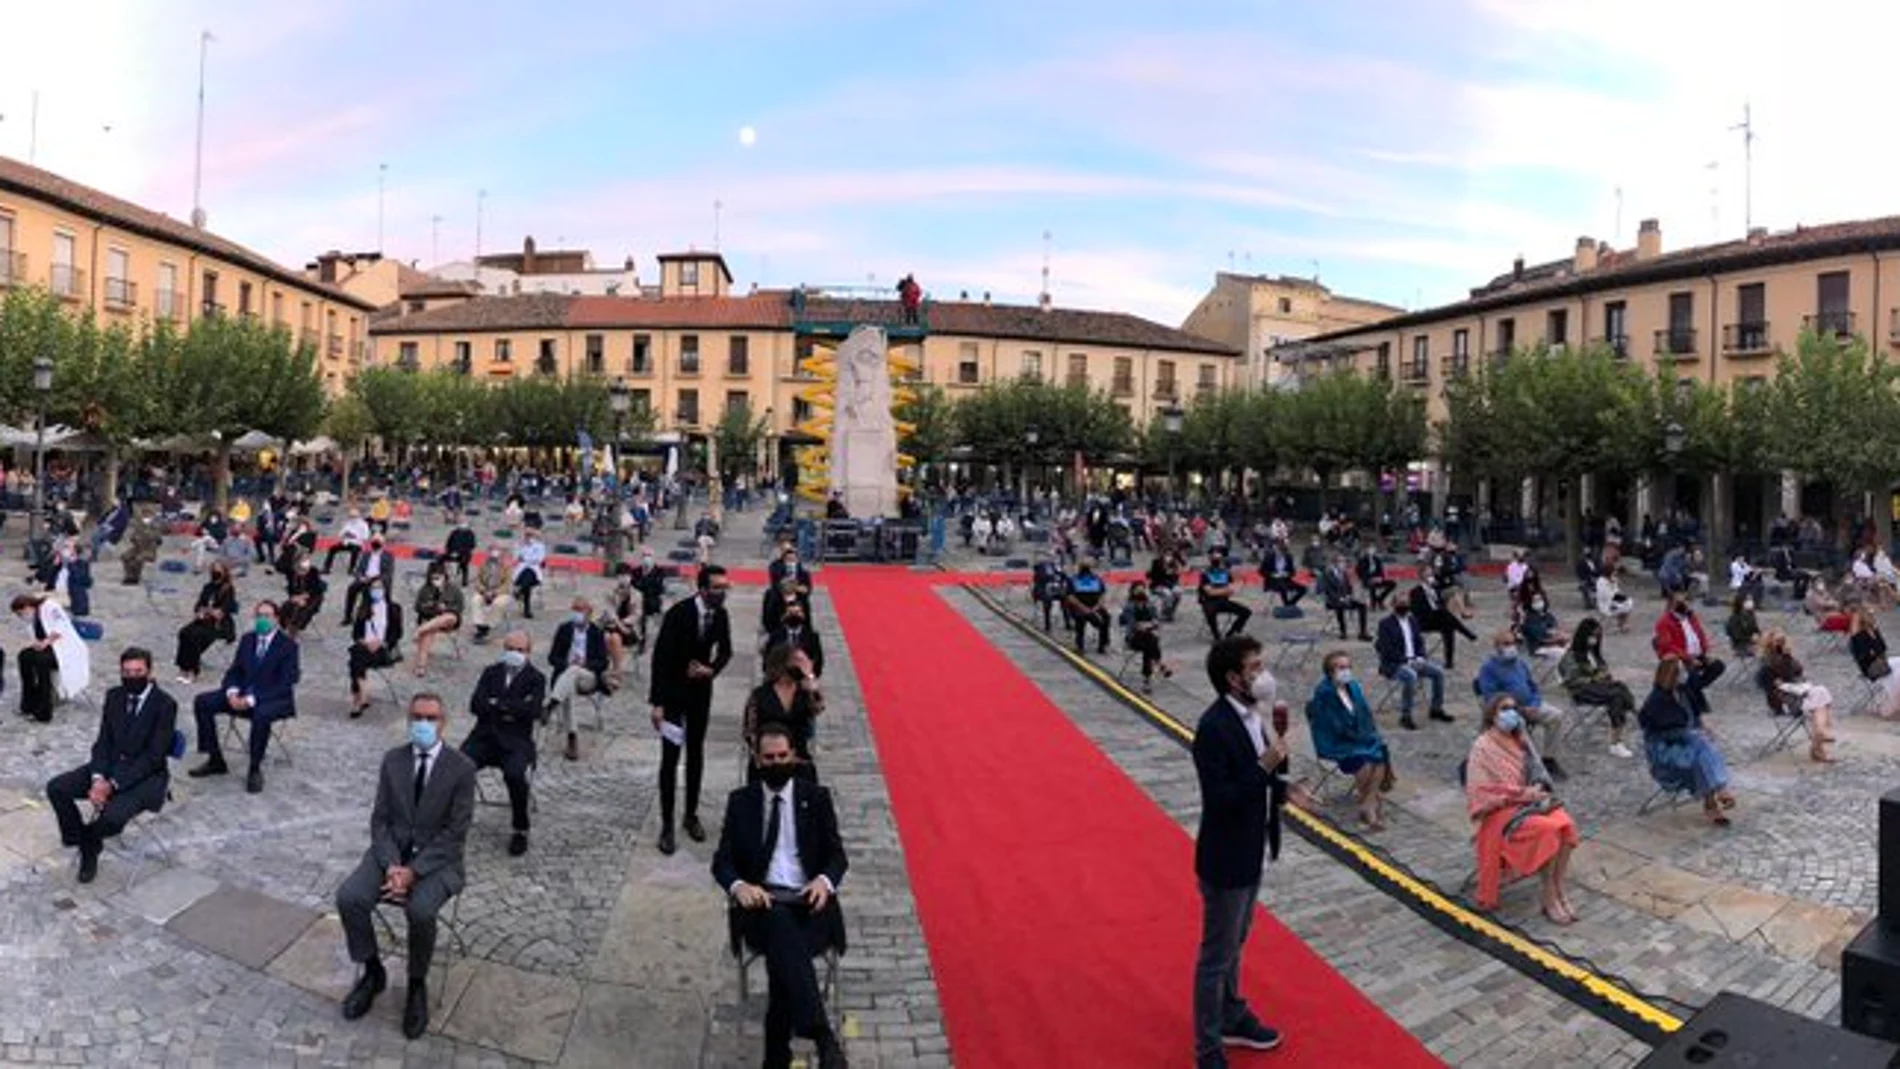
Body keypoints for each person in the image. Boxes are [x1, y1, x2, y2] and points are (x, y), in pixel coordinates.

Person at [335, 693, 476, 1040]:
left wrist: (414, 871)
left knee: (421, 910)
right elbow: (380, 820)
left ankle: (416, 984)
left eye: (431, 718)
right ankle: (372, 970)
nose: (423, 724)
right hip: (391, 855)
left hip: (438, 862)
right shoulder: (392, 761)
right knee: (350, 897)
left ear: (443, 723)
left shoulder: (461, 768)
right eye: (417, 717)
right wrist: (393, 865)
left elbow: (455, 832)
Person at [711, 723, 850, 1069]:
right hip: (762, 904)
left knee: (783, 955)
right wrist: (740, 887)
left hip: (810, 905)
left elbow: (838, 857)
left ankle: (777, 1055)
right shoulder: (741, 802)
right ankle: (822, 1036)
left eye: (782, 756)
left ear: (794, 756)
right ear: (757, 760)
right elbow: (722, 861)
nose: (776, 763)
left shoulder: (816, 798)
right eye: (768, 758)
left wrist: (823, 882)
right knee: (777, 925)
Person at [1190, 634, 1286, 1067]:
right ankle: (1207, 1045)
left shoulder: (1253, 716)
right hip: (1226, 855)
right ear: (1233, 678)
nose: (1262, 676)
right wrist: (1264, 766)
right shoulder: (1214, 727)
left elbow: (1261, 778)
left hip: (1252, 846)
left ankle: (1232, 1013)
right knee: (1217, 954)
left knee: (1236, 942)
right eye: (1254, 668)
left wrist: (1283, 786)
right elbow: (1223, 797)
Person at [44, 647, 177, 884]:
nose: (132, 677)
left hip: (145, 777)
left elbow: (153, 757)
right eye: (126, 672)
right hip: (109, 766)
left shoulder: (165, 704)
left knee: (112, 818)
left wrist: (112, 784)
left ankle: (88, 844)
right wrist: (98, 778)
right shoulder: (115, 696)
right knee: (57, 787)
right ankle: (86, 841)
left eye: (138, 672)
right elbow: (104, 741)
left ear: (149, 671)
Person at [1464, 695, 1581, 922]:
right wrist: (1522, 794)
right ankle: (1548, 897)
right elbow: (1481, 791)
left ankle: (1558, 890)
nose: (1511, 713)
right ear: (1492, 714)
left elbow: (1538, 772)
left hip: (1529, 804)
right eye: (1504, 708)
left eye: (1514, 708)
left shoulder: (1521, 740)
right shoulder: (1482, 746)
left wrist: (1536, 788)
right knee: (1548, 830)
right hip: (1498, 813)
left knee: (1567, 826)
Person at [649, 565, 734, 854]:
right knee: (670, 760)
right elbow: (659, 659)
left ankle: (690, 815)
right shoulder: (679, 613)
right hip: (673, 695)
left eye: (725, 588)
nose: (722, 593)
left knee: (696, 753)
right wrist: (657, 703)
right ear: (703, 589)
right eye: (717, 588)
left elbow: (726, 650)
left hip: (700, 694)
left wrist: (711, 670)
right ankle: (667, 824)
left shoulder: (720, 615)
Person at [189, 601, 300, 792]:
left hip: (272, 699)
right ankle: (215, 759)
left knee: (261, 714)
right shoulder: (248, 639)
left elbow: (284, 683)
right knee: (203, 701)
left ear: (276, 618)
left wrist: (250, 699)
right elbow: (235, 671)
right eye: (259, 616)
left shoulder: (288, 646)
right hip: (241, 693)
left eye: (267, 616)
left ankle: (254, 768)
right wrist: (232, 692)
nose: (262, 620)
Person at [462, 631, 546, 856]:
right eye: (510, 649)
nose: (514, 654)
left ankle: (520, 828)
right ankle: (455, 819)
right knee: (459, 766)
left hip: (515, 741)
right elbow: (476, 704)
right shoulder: (491, 673)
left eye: (520, 650)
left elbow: (534, 711)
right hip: (484, 737)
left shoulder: (536, 678)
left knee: (515, 775)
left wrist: (497, 704)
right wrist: (512, 707)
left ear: (528, 653)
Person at [1639, 656, 1736, 826]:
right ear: (1671, 675)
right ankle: (1719, 792)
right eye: (1681, 672)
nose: (1686, 675)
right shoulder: (1656, 700)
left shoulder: (1684, 692)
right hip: (1664, 750)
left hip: (1689, 744)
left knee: (1701, 748)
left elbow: (1694, 718)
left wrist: (1700, 729)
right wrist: (1690, 734)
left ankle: (1712, 802)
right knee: (1701, 745)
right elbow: (1655, 734)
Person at [1305, 651, 1394, 830]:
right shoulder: (1324, 693)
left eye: (1348, 667)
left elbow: (1364, 713)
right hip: (1337, 742)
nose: (1346, 671)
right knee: (1365, 764)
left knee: (1380, 754)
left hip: (1359, 737)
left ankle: (1368, 801)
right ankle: (1369, 805)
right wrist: (1356, 734)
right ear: (1330, 672)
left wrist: (1367, 733)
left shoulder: (1353, 687)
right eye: (1341, 667)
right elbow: (1330, 724)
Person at [1475, 630, 1568, 780]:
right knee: (1519, 724)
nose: (1511, 647)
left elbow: (1533, 686)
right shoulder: (1489, 668)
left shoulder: (1520, 663)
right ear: (1497, 646)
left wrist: (1535, 704)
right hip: (1507, 710)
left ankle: (1549, 759)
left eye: (1513, 643)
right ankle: (1523, 766)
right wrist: (1518, 709)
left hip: (1530, 704)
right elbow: (1491, 697)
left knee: (1556, 716)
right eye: (1506, 644)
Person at [1556, 618, 1635, 757]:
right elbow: (1570, 680)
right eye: (1593, 636)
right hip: (1581, 690)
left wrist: (1604, 675)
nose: (1595, 639)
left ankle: (1624, 723)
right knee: (1616, 696)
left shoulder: (1593, 653)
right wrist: (1593, 679)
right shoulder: (1571, 656)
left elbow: (1604, 670)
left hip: (1598, 686)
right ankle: (1616, 741)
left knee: (1621, 687)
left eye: (1598, 636)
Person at [545, 596, 610, 761]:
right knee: (568, 689)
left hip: (588, 677)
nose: (577, 613)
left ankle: (551, 704)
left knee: (573, 672)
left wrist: (585, 663)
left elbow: (603, 662)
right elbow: (552, 658)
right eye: (574, 610)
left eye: (580, 610)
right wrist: (567, 663)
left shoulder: (596, 632)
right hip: (567, 677)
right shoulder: (564, 629)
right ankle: (572, 738)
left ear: (589, 613)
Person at [1758, 630, 1838, 763]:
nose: (1782, 644)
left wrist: (1789, 657)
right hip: (1783, 701)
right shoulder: (1766, 663)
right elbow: (1781, 682)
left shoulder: (1786, 657)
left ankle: (1819, 738)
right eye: (1779, 642)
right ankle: (1819, 742)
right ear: (1770, 644)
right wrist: (1786, 658)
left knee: (1821, 694)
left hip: (1797, 694)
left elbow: (1799, 671)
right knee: (1820, 703)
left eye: (1783, 641)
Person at [743, 643, 826, 770]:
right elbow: (749, 730)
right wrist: (763, 754)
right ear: (784, 664)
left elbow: (818, 708)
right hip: (769, 761)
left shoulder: (804, 691)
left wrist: (812, 683)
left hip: (800, 759)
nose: (804, 666)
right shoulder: (760, 694)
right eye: (799, 661)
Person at [1373, 597, 1449, 730]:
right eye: (1400, 604)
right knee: (1410, 676)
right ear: (1393, 605)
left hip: (1414, 660)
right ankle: (1406, 715)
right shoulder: (1385, 623)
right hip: (1393, 664)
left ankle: (1436, 709)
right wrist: (1406, 661)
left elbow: (1419, 642)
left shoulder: (1413, 620)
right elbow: (1386, 649)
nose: (1403, 607)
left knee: (1438, 673)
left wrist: (1421, 656)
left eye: (1406, 604)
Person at [14, 592, 88, 722]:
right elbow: (37, 637)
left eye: (21, 613)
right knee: (24, 656)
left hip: (65, 650)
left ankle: (44, 710)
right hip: (48, 649)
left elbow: (61, 627)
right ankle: (28, 703)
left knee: (41, 662)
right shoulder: (32, 620)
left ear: (27, 607)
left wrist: (46, 642)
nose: (23, 617)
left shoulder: (50, 607)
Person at [1653, 590, 1726, 713]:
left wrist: (1704, 653)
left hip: (1697, 655)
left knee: (1718, 666)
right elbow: (1668, 646)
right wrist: (1688, 659)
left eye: (1686, 600)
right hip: (1678, 658)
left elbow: (1699, 635)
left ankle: (1692, 691)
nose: (1685, 604)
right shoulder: (1664, 622)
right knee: (1692, 675)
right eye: (1680, 601)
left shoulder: (1691, 617)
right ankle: (1696, 700)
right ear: (1671, 604)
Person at [175, 561, 240, 685]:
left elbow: (224, 609)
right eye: (214, 569)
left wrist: (210, 611)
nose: (215, 572)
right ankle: (183, 667)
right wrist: (199, 610)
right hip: (203, 619)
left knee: (196, 637)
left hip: (218, 624)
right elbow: (200, 603)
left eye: (218, 570)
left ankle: (193, 670)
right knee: (184, 633)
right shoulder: (208, 587)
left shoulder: (228, 589)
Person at [347, 586, 405, 717]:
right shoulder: (363, 609)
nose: (377, 591)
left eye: (380, 588)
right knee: (358, 654)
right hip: (364, 647)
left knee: (355, 659)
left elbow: (397, 633)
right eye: (374, 588)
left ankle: (359, 696)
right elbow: (356, 634)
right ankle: (362, 693)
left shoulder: (393, 608)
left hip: (383, 650)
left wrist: (381, 642)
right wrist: (364, 642)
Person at [411, 563, 465, 677]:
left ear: (444, 576)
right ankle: (421, 665)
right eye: (433, 578)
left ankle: (419, 630)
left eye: (439, 577)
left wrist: (447, 608)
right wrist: (430, 606)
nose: (436, 580)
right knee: (428, 631)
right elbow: (417, 607)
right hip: (430, 619)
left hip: (449, 620)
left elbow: (460, 607)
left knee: (448, 617)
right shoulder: (425, 589)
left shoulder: (453, 589)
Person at [1409, 582, 1478, 670]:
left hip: (1437, 618)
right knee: (1444, 615)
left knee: (1448, 625)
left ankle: (1449, 661)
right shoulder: (1416, 591)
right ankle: (1466, 632)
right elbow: (1416, 610)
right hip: (1424, 620)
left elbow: (1441, 605)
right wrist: (1433, 611)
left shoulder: (1435, 591)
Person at [1119, 581, 1172, 692]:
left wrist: (1149, 625)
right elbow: (1133, 625)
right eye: (1138, 589)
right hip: (1133, 639)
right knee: (1151, 640)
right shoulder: (1129, 606)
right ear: (1132, 592)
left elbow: (1156, 620)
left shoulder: (1149, 605)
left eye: (1142, 589)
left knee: (1149, 644)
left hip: (1148, 637)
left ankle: (1147, 680)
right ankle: (1160, 665)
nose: (1140, 591)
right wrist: (1148, 625)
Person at [1851, 607, 1900, 719]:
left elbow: (1883, 648)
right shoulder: (1858, 636)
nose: (1873, 618)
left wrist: (1874, 630)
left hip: (1881, 662)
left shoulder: (1873, 631)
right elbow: (1868, 655)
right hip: (1871, 668)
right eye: (1870, 616)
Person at [341, 534, 395, 626]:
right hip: (364, 578)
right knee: (351, 589)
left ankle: (366, 614)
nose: (375, 543)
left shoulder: (388, 556)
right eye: (374, 541)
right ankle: (348, 617)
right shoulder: (366, 554)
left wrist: (374, 579)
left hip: (377, 580)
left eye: (378, 541)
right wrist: (360, 577)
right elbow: (359, 569)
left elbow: (388, 573)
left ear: (383, 543)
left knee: (368, 596)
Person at [1197, 549, 1252, 638]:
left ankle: (1232, 632)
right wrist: (1225, 590)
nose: (1219, 562)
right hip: (1209, 602)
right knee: (1210, 612)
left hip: (1223, 601)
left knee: (1246, 612)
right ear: (1210, 560)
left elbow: (1233, 587)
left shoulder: (1226, 573)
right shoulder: (1205, 574)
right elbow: (1210, 592)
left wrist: (1231, 587)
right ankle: (1216, 635)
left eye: (1220, 559)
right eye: (1215, 559)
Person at [1063, 559, 1112, 655]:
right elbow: (1070, 597)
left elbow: (1102, 595)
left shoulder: (1096, 579)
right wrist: (1083, 608)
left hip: (1095, 607)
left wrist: (1097, 607)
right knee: (1080, 620)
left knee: (1106, 617)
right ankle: (1079, 646)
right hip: (1079, 608)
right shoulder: (1074, 579)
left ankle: (1103, 645)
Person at [1317, 555, 1370, 641]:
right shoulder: (1327, 574)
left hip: (1345, 598)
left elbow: (1348, 587)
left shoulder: (1344, 573)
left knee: (1362, 605)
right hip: (1333, 600)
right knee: (1339, 606)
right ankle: (1343, 631)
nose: (1343, 564)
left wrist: (1348, 596)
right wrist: (1339, 598)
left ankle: (1363, 632)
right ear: (1335, 563)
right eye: (1341, 562)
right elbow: (1328, 590)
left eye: (1344, 562)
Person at [467, 555, 511, 643]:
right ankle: (479, 625)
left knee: (498, 603)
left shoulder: (506, 567)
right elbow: (478, 581)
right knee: (475, 600)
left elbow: (507, 584)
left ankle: (488, 625)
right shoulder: (483, 565)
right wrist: (483, 591)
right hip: (485, 591)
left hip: (500, 593)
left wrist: (495, 593)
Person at [1030, 553, 1070, 632]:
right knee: (1047, 600)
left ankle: (1067, 623)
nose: (1049, 559)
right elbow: (1039, 579)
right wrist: (1053, 577)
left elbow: (1063, 576)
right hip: (1042, 589)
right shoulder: (1039, 567)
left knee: (1065, 598)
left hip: (1054, 589)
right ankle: (1047, 624)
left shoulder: (1055, 566)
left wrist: (1061, 576)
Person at [512, 530, 547, 619]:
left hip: (533, 569)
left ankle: (519, 593)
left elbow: (539, 559)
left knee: (527, 580)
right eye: (526, 535)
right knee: (526, 585)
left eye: (530, 535)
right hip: (522, 569)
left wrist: (525, 558)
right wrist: (521, 548)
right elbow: (516, 557)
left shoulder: (539, 546)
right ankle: (526, 609)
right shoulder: (520, 545)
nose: (528, 537)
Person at [1260, 541, 1306, 607]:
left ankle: (1291, 603)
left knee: (1303, 589)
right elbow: (1261, 571)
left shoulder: (1288, 558)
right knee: (1282, 586)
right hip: (1272, 581)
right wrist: (1272, 574)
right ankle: (1286, 604)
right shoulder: (1269, 557)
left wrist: (1287, 574)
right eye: (1279, 552)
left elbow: (1293, 572)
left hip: (1286, 580)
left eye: (1282, 553)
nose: (1280, 554)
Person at [1355, 543, 1397, 609]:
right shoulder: (1363, 560)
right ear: (1366, 550)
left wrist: (1380, 577)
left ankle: (1380, 598)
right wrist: (1371, 578)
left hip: (1377, 579)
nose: (1371, 550)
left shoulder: (1377, 559)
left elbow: (1381, 570)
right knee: (1372, 585)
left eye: (1372, 549)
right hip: (1367, 580)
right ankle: (1373, 603)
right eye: (1369, 549)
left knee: (1393, 583)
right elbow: (1362, 572)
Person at [441, 516, 477, 586]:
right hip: (452, 553)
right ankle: (444, 576)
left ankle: (464, 580)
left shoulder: (470, 534)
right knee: (441, 559)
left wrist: (461, 552)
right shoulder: (454, 532)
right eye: (461, 523)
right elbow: (448, 543)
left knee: (464, 565)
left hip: (464, 554)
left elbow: (471, 545)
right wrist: (450, 552)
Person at [1725, 592, 1762, 657]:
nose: (1750, 602)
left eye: (1750, 600)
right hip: (1740, 645)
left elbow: (1755, 629)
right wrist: (1751, 639)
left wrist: (1758, 635)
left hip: (1752, 643)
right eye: (1747, 600)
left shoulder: (1751, 616)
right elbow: (1737, 636)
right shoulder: (1734, 618)